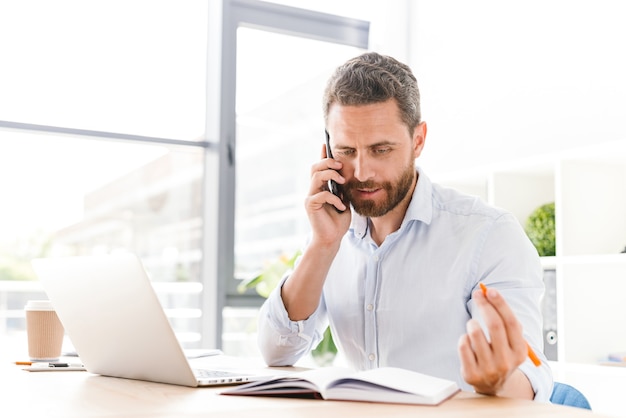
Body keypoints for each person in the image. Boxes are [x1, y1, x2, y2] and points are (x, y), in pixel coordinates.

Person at [257, 52, 553, 401]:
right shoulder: (331, 232)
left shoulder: (489, 235)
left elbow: (532, 379)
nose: (363, 171)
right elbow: (276, 353)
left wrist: (499, 382)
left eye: (381, 150)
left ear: (418, 140)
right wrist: (322, 246)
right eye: (346, 150)